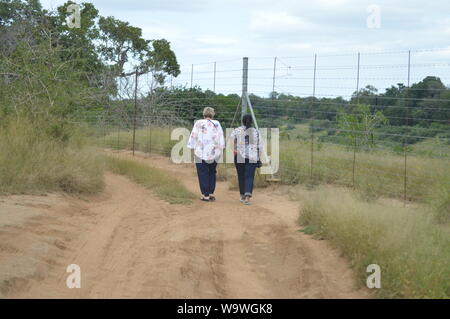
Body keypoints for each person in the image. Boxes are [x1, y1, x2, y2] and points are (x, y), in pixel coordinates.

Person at [187, 107, 225, 202]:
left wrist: (191, 147)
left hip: (200, 152)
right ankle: (211, 193)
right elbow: (221, 137)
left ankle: (206, 195)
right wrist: (221, 149)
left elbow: (193, 136)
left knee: (202, 172)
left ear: (203, 114)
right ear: (213, 114)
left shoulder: (198, 123)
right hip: (214, 152)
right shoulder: (217, 123)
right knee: (212, 172)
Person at [231, 114, 263, 205]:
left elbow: (232, 142)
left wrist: (235, 151)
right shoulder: (256, 132)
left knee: (241, 176)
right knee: (249, 176)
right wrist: (258, 157)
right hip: (252, 157)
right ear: (251, 121)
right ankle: (247, 197)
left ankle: (242, 195)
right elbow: (260, 147)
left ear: (242, 121)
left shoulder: (236, 130)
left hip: (239, 156)